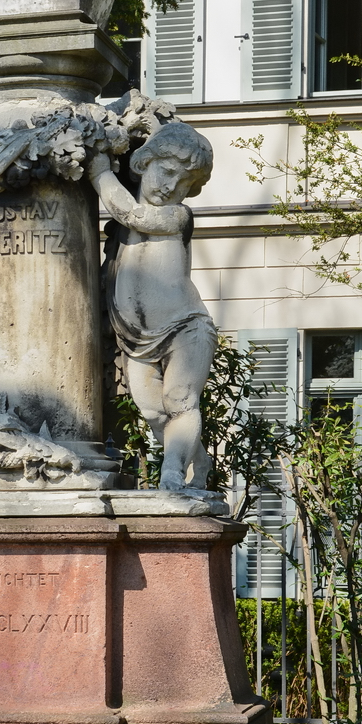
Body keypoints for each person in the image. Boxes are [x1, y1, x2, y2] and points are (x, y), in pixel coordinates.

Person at [88, 123, 217, 492]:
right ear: (144, 163)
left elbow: (132, 215)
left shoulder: (177, 216)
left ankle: (172, 476)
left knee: (179, 399)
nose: (170, 187)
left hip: (185, 328)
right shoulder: (118, 233)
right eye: (167, 172)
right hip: (136, 338)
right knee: (153, 411)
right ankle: (199, 463)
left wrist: (100, 173)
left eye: (183, 182)